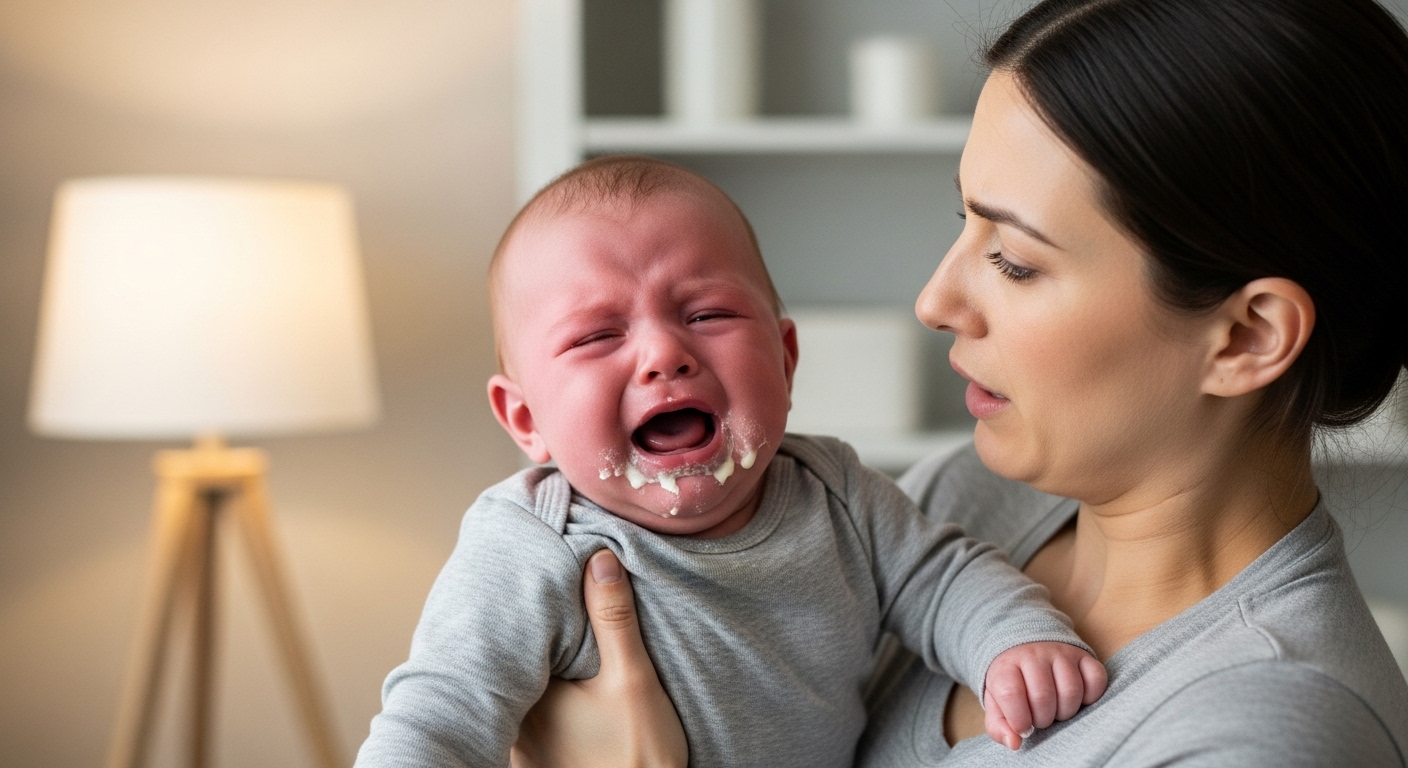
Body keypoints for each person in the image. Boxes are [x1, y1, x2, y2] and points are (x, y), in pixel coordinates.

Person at [509, 0, 1408, 765]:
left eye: (1013, 261)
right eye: (963, 221)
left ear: (1246, 336)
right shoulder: (965, 503)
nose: (935, 300)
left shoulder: (1268, 733)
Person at [353, 156, 1107, 768]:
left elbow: (941, 578)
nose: (662, 355)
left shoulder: (835, 492)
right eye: (596, 337)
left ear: (784, 358)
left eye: (707, 315)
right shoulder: (531, 545)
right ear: (525, 419)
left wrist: (1014, 640)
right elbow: (441, 716)